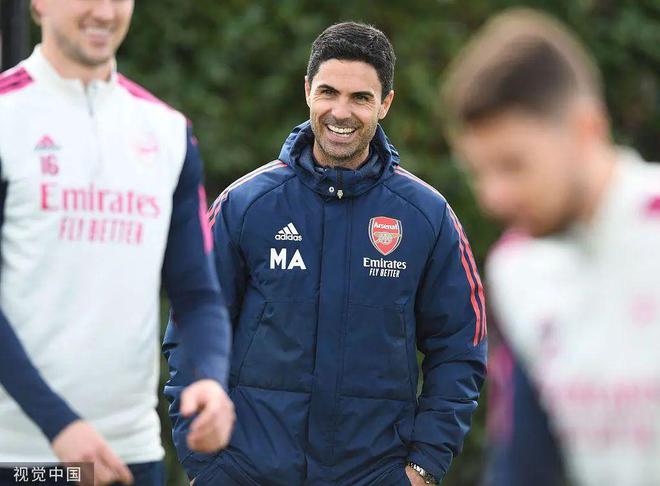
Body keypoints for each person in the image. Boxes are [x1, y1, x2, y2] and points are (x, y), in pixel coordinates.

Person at [164, 21, 487, 486]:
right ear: (307, 92)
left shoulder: (427, 217)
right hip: (244, 472)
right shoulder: (245, 205)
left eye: (361, 98)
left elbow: (460, 348)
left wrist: (423, 468)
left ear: (386, 103)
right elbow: (193, 324)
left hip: (374, 476)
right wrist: (205, 464)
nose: (341, 111)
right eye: (328, 92)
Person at [0, 1, 235, 484]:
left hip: (131, 454)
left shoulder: (167, 131)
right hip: (17, 456)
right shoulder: (7, 116)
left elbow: (197, 294)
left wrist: (209, 378)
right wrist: (59, 425)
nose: (105, 12)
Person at [442, 8, 660, 486]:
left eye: (513, 165)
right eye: (478, 172)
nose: (492, 197)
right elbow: (525, 465)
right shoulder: (517, 270)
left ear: (586, 129)